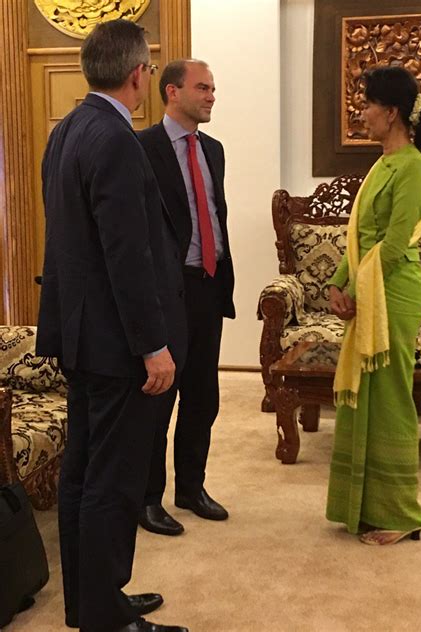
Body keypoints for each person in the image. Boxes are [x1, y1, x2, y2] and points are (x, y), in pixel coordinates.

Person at [36, 20, 189, 632]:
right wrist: (153, 346)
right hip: (118, 345)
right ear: (138, 74)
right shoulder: (118, 139)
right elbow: (129, 255)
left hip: (79, 338)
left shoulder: (67, 130)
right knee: (112, 481)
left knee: (80, 473)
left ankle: (92, 600)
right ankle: (105, 615)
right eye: (150, 70)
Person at [325, 65, 421, 545]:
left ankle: (401, 513)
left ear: (391, 113)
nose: (363, 112)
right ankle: (362, 508)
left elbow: (394, 245)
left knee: (390, 400)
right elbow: (360, 238)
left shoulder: (413, 165)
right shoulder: (381, 163)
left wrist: (356, 291)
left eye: (369, 104)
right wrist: (336, 282)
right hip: (372, 290)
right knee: (364, 400)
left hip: (393, 295)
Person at [137, 59, 235, 536]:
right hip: (166, 292)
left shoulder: (212, 149)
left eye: (214, 88)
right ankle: (147, 498)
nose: (212, 95)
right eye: (203, 87)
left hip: (208, 286)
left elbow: (214, 212)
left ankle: (191, 488)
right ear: (172, 91)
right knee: (160, 398)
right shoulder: (141, 148)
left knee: (203, 396)